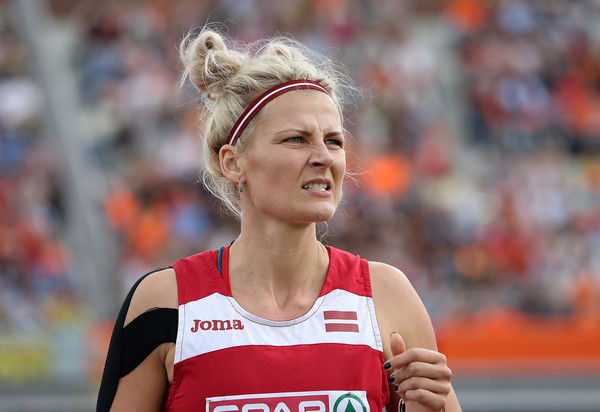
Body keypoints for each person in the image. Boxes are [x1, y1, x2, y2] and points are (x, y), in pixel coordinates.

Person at [96, 26, 461, 412]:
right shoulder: (164, 302)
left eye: (334, 141)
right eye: (296, 139)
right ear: (233, 163)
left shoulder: (388, 295)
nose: (324, 157)